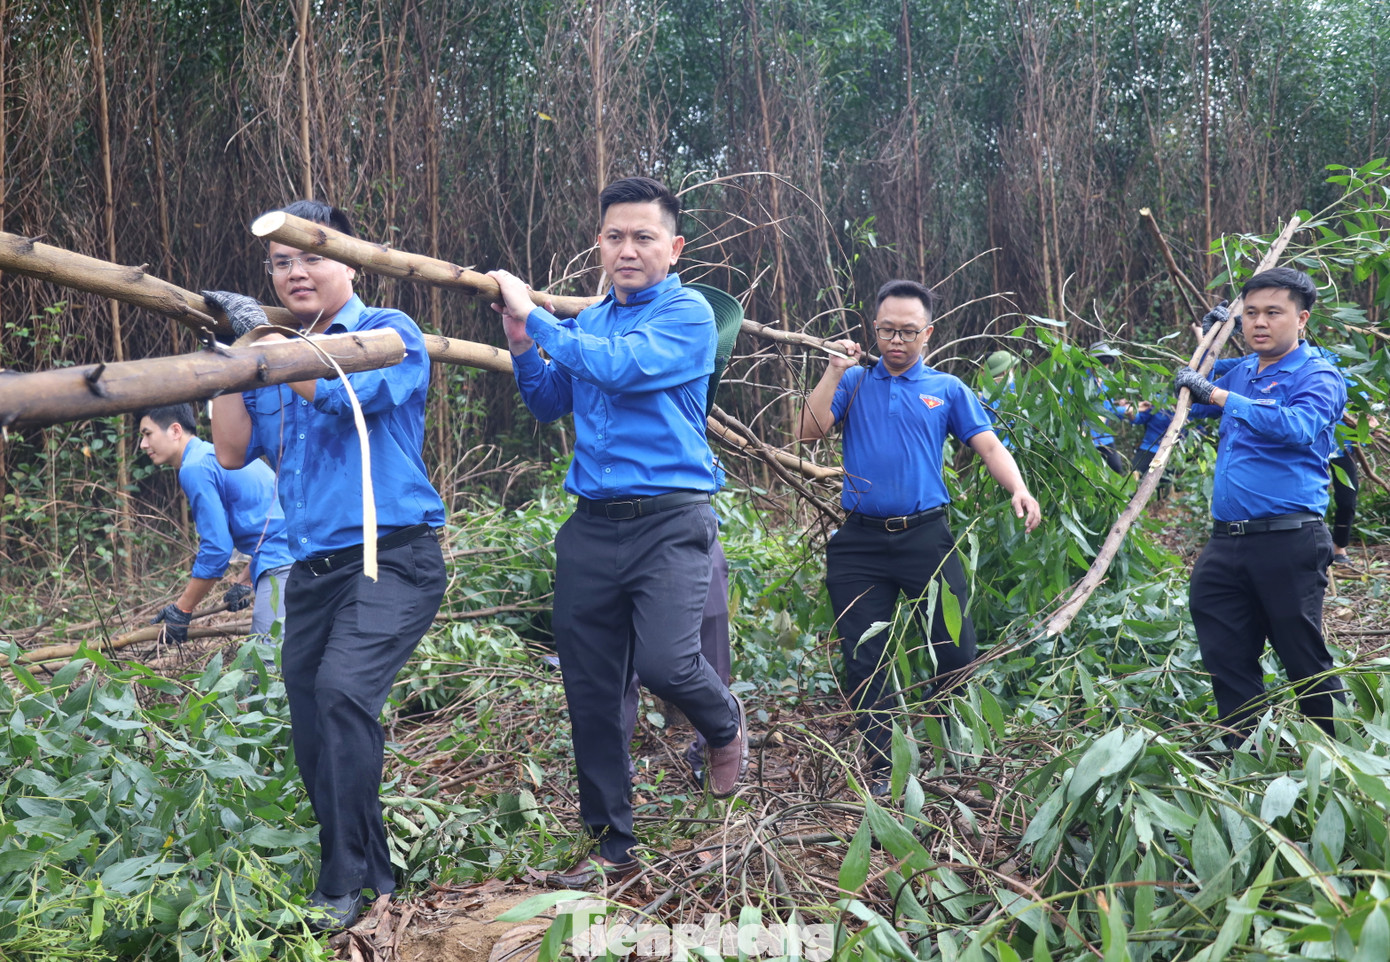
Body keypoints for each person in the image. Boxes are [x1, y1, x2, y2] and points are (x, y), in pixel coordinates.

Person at [487, 176, 747, 889]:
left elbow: (624, 372)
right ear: (598, 243)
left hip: (670, 522)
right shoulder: (592, 321)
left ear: (674, 247)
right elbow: (548, 401)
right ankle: (611, 847)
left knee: (668, 664)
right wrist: (521, 343)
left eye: (643, 237)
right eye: (614, 236)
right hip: (592, 529)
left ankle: (724, 727)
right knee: (593, 696)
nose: (627, 249)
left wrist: (539, 319)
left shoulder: (689, 315)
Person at [207, 200, 448, 931]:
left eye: (309, 255)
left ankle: (340, 877)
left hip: (393, 555)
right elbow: (228, 450)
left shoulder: (388, 333)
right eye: (281, 262)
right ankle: (372, 864)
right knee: (313, 720)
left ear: (350, 260)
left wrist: (274, 343)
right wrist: (229, 357)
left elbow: (349, 399)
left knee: (343, 692)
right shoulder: (270, 345)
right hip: (311, 569)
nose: (296, 271)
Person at [799, 279, 1041, 792]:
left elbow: (989, 447)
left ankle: (955, 755)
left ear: (927, 333)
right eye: (887, 329)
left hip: (924, 537)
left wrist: (1019, 488)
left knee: (954, 648)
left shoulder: (947, 390)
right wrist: (834, 368)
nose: (896, 340)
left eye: (908, 331)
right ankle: (886, 769)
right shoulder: (854, 383)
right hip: (860, 543)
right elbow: (809, 430)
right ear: (873, 329)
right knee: (865, 658)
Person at [1174, 267, 1347, 743]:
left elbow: (1296, 426)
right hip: (1225, 543)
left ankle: (1339, 756)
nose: (1259, 323)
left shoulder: (1319, 375)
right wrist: (1207, 353)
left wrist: (1219, 391)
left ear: (1302, 319)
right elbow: (1192, 396)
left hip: (1288, 539)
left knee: (1302, 656)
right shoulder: (1244, 370)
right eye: (1249, 314)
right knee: (1226, 653)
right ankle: (1242, 753)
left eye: (1274, 312)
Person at [138, 403, 294, 641]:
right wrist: (247, 579)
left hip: (285, 562)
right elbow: (271, 525)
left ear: (176, 431)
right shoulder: (210, 455)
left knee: (265, 661)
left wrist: (183, 609)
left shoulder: (196, 466)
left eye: (148, 434)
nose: (143, 445)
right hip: (291, 552)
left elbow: (217, 548)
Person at [621, 537, 731, 785]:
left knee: (709, 645)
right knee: (618, 660)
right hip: (615, 527)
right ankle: (615, 771)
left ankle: (712, 754)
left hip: (689, 523)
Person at [1086, 342, 1130, 474]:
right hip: (1086, 437)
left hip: (1104, 438)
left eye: (1106, 364)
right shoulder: (1079, 380)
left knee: (1117, 469)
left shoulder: (1104, 384)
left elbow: (1107, 410)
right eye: (1100, 363)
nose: (1104, 367)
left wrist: (1129, 409)